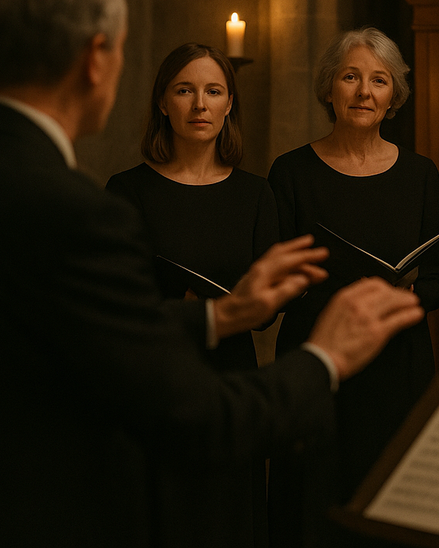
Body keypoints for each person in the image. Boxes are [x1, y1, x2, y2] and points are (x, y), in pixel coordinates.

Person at [0, 0, 424, 547]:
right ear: (95, 59)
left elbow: (60, 334)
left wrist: (220, 316)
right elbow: (191, 411)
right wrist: (326, 358)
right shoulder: (78, 213)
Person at [267, 27, 439, 546]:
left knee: (390, 505)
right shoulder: (291, 172)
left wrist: (404, 300)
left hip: (397, 362)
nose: (364, 92)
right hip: (316, 358)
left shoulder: (419, 174)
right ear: (329, 88)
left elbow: (437, 279)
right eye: (351, 77)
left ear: (394, 96)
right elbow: (278, 275)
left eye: (379, 80)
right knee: (312, 503)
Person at [106, 42, 278, 547]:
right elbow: (112, 301)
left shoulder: (255, 194)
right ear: (163, 103)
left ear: (228, 106)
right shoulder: (127, 191)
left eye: (213, 91)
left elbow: (268, 310)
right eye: (184, 90)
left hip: (230, 380)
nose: (199, 104)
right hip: (154, 382)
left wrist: (249, 305)